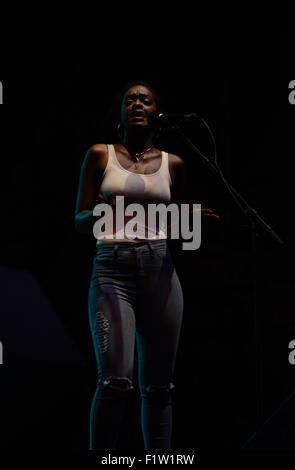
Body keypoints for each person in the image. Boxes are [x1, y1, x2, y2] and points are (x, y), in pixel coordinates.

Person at [74, 80, 218, 451]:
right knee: (115, 381)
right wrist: (125, 211)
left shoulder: (175, 163)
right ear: (120, 114)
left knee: (159, 387)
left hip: (160, 271)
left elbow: (172, 224)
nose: (137, 103)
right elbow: (80, 220)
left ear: (157, 112)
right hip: (113, 272)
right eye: (130, 99)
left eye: (145, 99)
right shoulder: (99, 154)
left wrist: (190, 219)